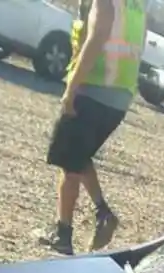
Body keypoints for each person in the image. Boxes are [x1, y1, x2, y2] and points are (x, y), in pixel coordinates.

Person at [42, 0, 145, 255]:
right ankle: (103, 213)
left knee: (69, 163)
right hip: (120, 97)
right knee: (80, 155)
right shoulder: (136, 5)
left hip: (93, 88)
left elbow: (97, 39)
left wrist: (71, 88)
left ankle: (63, 234)